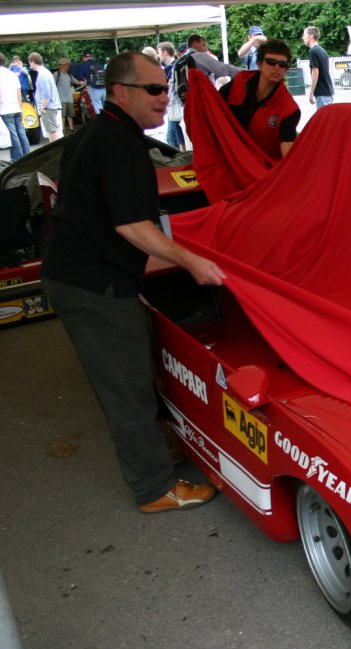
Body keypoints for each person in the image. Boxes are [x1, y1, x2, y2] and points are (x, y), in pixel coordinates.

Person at [41, 51, 225, 513]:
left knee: (134, 367)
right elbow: (131, 226)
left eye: (167, 89)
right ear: (121, 92)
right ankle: (153, 487)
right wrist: (192, 263)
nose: (166, 98)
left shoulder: (103, 134)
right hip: (93, 285)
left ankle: (153, 450)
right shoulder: (119, 145)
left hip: (86, 277)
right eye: (155, 90)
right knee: (126, 385)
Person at [218, 39, 300, 160]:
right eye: (271, 62)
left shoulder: (289, 108)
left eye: (283, 65)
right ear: (260, 63)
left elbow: (287, 143)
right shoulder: (240, 81)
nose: (277, 67)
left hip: (263, 164)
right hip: (230, 154)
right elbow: (214, 105)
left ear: (286, 70)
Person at [0, 52, 31, 161]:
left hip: (5, 109)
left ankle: (17, 158)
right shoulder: (12, 74)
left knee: (12, 134)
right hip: (16, 108)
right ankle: (27, 155)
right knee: (21, 132)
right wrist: (19, 107)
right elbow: (19, 93)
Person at [28, 52, 62, 143]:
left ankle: (57, 150)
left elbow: (46, 93)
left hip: (48, 107)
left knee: (52, 130)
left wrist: (43, 107)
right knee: (52, 130)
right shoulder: (46, 72)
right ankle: (56, 148)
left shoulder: (42, 74)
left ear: (32, 62)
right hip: (51, 107)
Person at [157, 41, 184, 150]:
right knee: (175, 137)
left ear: (165, 52)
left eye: (158, 52)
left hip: (175, 108)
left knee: (173, 138)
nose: (158, 55)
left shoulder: (173, 68)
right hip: (174, 109)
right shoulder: (177, 65)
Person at [302, 25, 333, 109]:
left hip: (322, 93)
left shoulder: (313, 51)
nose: (303, 38)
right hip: (328, 91)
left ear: (311, 36)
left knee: (324, 120)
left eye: (304, 35)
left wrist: (311, 92)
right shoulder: (322, 51)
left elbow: (315, 71)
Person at [53, 57, 82, 132]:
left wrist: (84, 82)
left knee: (70, 114)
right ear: (63, 65)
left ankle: (71, 128)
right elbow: (51, 84)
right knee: (62, 115)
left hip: (69, 98)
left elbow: (77, 82)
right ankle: (62, 128)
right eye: (68, 65)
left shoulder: (69, 75)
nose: (69, 66)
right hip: (61, 98)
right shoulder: (57, 74)